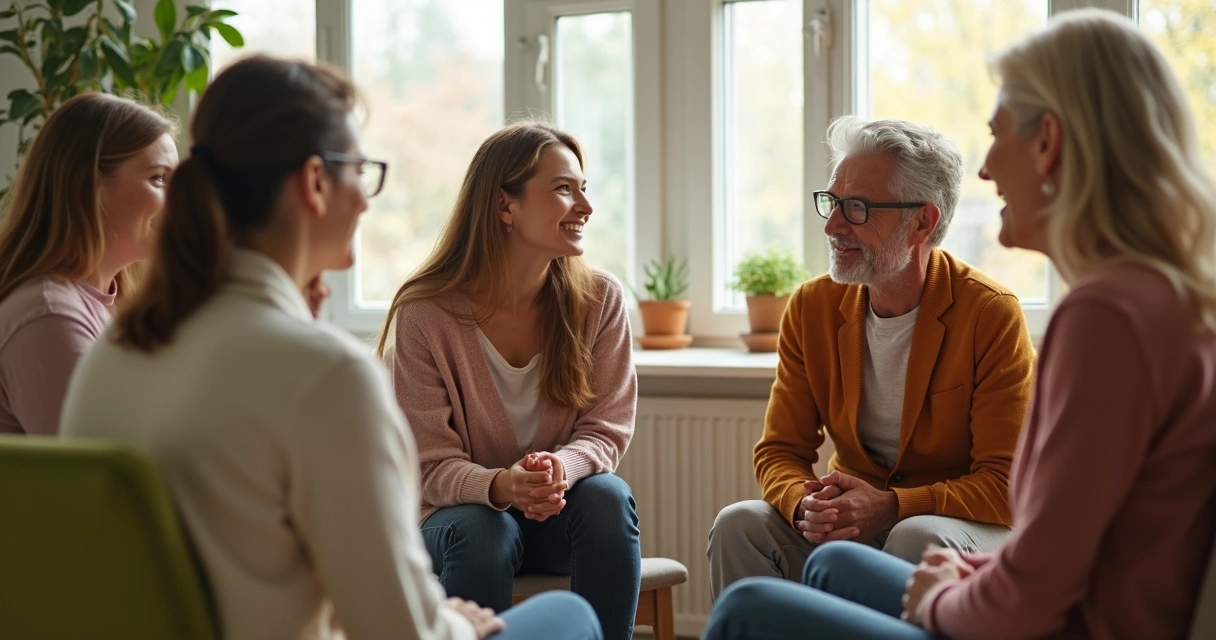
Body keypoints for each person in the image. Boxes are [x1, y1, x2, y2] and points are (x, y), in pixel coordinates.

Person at [703, 9, 1216, 639]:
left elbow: (1035, 577)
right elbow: (1072, 545)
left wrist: (941, 600)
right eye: (834, 203)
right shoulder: (1161, 298)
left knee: (746, 610)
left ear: (1049, 142)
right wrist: (959, 574)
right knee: (830, 560)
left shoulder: (1102, 318)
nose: (987, 168)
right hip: (1052, 602)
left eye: (998, 135)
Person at [60, 56, 602, 640]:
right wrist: (460, 625)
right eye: (361, 172)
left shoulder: (111, 354)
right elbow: (399, 632)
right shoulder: (327, 377)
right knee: (569, 615)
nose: (366, 200)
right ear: (316, 182)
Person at [708, 116, 1036, 598]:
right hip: (856, 522)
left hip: (960, 527)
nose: (832, 225)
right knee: (740, 524)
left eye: (857, 208)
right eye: (832, 202)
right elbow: (780, 450)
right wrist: (805, 505)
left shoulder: (990, 313)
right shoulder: (811, 307)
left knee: (915, 535)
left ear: (922, 222)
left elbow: (1004, 483)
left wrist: (894, 505)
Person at [377, 122, 641, 640]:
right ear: (505, 206)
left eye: (584, 188)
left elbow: (607, 429)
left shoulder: (600, 300)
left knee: (607, 498)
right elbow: (427, 464)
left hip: (556, 517)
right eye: (564, 189)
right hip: (455, 524)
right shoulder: (425, 313)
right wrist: (501, 485)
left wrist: (558, 469)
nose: (585, 206)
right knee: (483, 528)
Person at [0, 93, 176, 435]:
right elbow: (108, 464)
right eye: (159, 178)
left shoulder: (108, 302)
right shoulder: (49, 316)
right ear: (87, 188)